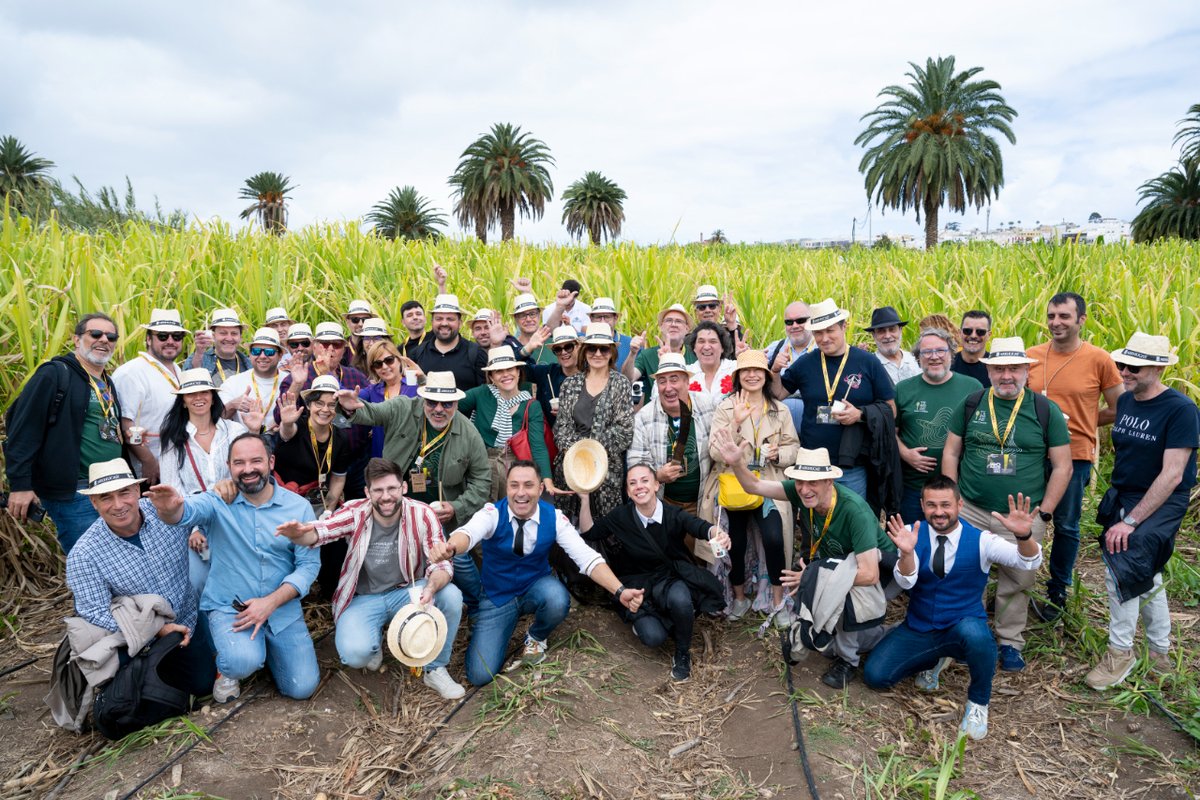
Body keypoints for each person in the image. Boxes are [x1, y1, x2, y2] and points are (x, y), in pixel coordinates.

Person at [428, 461, 642, 686]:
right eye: (514, 485)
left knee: (557, 598)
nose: (521, 493)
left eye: (528, 485)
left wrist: (619, 591)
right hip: (497, 596)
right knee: (480, 675)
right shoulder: (491, 513)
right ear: (507, 488)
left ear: (540, 489)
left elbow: (587, 558)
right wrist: (451, 547)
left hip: (535, 588)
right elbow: (468, 534)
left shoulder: (555, 518)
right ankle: (494, 624)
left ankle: (536, 635)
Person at [711, 431, 895, 688]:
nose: (805, 489)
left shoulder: (854, 510)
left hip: (881, 571)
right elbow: (754, 487)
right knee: (822, 589)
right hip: (842, 564)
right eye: (800, 482)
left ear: (829, 481)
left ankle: (848, 661)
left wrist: (815, 577)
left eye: (813, 482)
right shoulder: (801, 493)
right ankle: (874, 636)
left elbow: (869, 574)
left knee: (842, 598)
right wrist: (738, 464)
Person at [863, 475, 1042, 740]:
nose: (939, 512)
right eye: (932, 505)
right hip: (920, 626)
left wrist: (1024, 535)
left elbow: (1029, 562)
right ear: (923, 505)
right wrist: (907, 554)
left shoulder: (982, 540)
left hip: (962, 625)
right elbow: (906, 580)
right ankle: (933, 658)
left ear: (959, 505)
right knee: (875, 676)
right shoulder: (913, 533)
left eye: (945, 505)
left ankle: (978, 703)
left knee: (977, 636)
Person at [146, 433, 321, 703]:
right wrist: (170, 510)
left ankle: (266, 649)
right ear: (229, 466)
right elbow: (184, 513)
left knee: (302, 687)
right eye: (239, 462)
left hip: (281, 609)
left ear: (271, 461)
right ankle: (228, 666)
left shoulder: (298, 506)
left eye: (256, 461)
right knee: (241, 662)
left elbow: (308, 566)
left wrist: (271, 602)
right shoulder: (217, 502)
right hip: (232, 606)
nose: (248, 469)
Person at [274, 458, 467, 699]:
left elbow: (441, 565)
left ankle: (434, 667)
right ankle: (373, 640)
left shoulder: (422, 513)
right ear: (367, 492)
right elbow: (321, 532)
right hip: (365, 599)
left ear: (403, 488)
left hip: (406, 592)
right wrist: (298, 535)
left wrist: (430, 587)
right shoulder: (356, 512)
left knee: (450, 595)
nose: (386, 496)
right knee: (356, 655)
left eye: (391, 489)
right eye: (378, 490)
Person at [941, 336, 1072, 672]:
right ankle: (964, 635)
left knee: (1018, 578)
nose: (1006, 375)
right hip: (971, 507)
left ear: (1026, 371)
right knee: (967, 572)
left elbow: (1063, 466)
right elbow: (951, 452)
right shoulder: (971, 404)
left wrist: (1045, 512)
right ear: (990, 371)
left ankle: (1010, 642)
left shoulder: (1045, 410)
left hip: (1022, 515)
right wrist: (951, 499)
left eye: (1014, 368)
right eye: (999, 368)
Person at [1085, 333, 1198, 690]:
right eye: (1121, 365)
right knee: (1148, 571)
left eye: (1134, 367)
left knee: (1123, 563)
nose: (1124, 372)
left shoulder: (1180, 410)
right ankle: (1160, 653)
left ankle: (1120, 653)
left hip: (1161, 498)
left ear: (1159, 368)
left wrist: (1131, 522)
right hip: (1125, 493)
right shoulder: (1129, 401)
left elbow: (1173, 474)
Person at [64, 459, 216, 715]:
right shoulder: (84, 554)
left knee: (203, 685)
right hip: (142, 639)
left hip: (187, 617)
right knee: (149, 702)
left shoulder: (163, 511)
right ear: (94, 503)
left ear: (137, 491)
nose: (118, 505)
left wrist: (218, 496)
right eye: (106, 498)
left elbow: (206, 513)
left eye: (124, 493)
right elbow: (95, 614)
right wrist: (156, 630)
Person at [578, 464, 731, 681]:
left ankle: (682, 652)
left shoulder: (671, 513)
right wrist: (584, 499)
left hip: (669, 577)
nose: (639, 487)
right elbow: (590, 532)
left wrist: (717, 532)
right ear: (628, 491)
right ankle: (662, 622)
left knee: (680, 597)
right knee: (653, 638)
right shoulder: (621, 516)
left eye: (644, 481)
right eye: (633, 483)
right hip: (638, 584)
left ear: (657, 485)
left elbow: (697, 525)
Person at [1026, 293, 1124, 622]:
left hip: (1075, 454)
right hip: (1029, 454)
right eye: (1052, 315)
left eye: (1065, 316)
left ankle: (1058, 590)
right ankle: (1016, 585)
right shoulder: (1031, 357)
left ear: (1081, 319)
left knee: (1066, 525)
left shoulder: (1099, 360)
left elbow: (1119, 407)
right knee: (1020, 519)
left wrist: (1084, 421)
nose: (1056, 322)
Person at [4, 312, 126, 553]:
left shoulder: (106, 382)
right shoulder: (55, 374)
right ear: (76, 339)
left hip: (109, 487)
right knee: (87, 559)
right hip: (74, 491)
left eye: (111, 336)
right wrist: (20, 485)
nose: (104, 340)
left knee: (111, 558)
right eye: (95, 334)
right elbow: (22, 429)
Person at [706, 350, 799, 623]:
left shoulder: (780, 410)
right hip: (734, 482)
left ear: (766, 376)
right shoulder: (725, 408)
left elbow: (794, 448)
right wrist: (735, 423)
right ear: (737, 377)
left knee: (774, 537)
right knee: (734, 541)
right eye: (745, 371)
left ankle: (778, 601)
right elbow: (714, 451)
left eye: (758, 371)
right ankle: (738, 598)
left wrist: (778, 454)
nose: (752, 375)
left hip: (768, 481)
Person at [335, 372, 491, 531]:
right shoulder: (402, 408)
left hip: (441, 522)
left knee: (451, 556)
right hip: (396, 512)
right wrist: (349, 409)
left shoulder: (469, 434)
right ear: (423, 399)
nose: (438, 409)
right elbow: (372, 412)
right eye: (431, 402)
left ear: (456, 403)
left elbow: (482, 481)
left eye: (446, 404)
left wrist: (457, 507)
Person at [780, 299, 896, 499]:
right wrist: (774, 370)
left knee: (851, 520)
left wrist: (860, 414)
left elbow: (890, 409)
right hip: (812, 463)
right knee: (815, 524)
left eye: (830, 331)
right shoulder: (806, 363)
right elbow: (778, 393)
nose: (824, 338)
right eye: (818, 333)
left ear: (844, 327)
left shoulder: (867, 362)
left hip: (852, 465)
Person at [160, 369, 260, 593]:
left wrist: (254, 430)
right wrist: (194, 528)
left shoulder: (234, 430)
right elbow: (174, 491)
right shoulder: (174, 438)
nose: (198, 398)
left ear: (213, 396)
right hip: (196, 524)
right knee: (199, 583)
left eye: (204, 392)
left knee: (244, 579)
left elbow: (251, 474)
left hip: (236, 518)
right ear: (183, 401)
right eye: (191, 394)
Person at [894, 329, 983, 523]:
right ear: (918, 358)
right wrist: (906, 454)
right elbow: (891, 432)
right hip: (913, 488)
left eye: (941, 351)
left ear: (952, 353)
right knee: (914, 541)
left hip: (960, 487)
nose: (934, 357)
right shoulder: (903, 389)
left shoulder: (972, 387)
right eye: (926, 352)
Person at [553, 323, 635, 522]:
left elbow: (624, 430)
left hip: (606, 469)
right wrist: (580, 452)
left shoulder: (621, 383)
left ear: (612, 352)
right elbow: (561, 427)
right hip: (572, 467)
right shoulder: (570, 384)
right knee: (567, 527)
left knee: (606, 529)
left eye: (604, 348)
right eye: (592, 348)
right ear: (585, 350)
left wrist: (590, 449)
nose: (597, 353)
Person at [457, 346, 563, 499]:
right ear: (492, 377)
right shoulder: (481, 393)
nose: (505, 375)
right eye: (499, 371)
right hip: (482, 469)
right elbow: (449, 405)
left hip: (516, 469)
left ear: (518, 373)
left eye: (510, 369)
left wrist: (547, 481)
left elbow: (538, 445)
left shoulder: (531, 405)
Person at [628, 353, 717, 519]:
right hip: (664, 504)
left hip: (703, 502)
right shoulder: (644, 418)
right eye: (662, 381)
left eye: (674, 379)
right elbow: (635, 463)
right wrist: (657, 476)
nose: (668, 387)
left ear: (687, 381)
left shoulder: (708, 406)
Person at [112, 308, 189, 484]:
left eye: (176, 336)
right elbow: (125, 424)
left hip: (175, 464)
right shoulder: (132, 372)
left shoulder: (177, 369)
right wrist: (148, 461)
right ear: (148, 339)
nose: (170, 341)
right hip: (148, 470)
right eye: (162, 336)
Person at [411, 294, 487, 391]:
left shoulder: (476, 353)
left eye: (450, 319)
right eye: (439, 319)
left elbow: (485, 393)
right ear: (432, 322)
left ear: (460, 323)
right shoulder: (417, 353)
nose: (444, 323)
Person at [358, 340, 420, 458]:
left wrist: (423, 380)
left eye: (389, 360)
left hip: (410, 458)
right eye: (378, 364)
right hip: (382, 457)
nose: (385, 367)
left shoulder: (414, 387)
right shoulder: (373, 391)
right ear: (373, 369)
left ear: (399, 360)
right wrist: (328, 372)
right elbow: (349, 397)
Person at [624, 303, 697, 401]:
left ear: (687, 328)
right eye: (669, 320)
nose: (673, 324)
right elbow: (628, 378)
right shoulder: (647, 355)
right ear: (661, 326)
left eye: (679, 321)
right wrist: (632, 353)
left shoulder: (696, 354)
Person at [219, 328, 284, 433]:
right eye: (256, 351)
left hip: (281, 443)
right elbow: (217, 418)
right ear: (250, 354)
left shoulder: (290, 381)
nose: (262, 356)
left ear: (280, 355)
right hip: (244, 444)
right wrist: (233, 404)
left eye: (269, 352)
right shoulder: (233, 382)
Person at [765, 300, 815, 436]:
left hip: (813, 422)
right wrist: (742, 354)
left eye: (800, 320)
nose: (795, 326)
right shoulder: (775, 347)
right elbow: (753, 369)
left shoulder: (822, 348)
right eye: (789, 322)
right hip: (778, 427)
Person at [516, 324, 580, 424]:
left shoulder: (590, 375)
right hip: (550, 435)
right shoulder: (548, 372)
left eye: (568, 347)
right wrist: (528, 347)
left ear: (578, 347)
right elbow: (514, 368)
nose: (563, 352)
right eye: (558, 349)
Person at [189, 308, 251, 387]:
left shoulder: (249, 363)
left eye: (234, 333)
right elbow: (190, 383)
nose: (229, 338)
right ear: (213, 336)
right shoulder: (198, 358)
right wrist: (199, 353)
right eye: (223, 333)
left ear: (240, 338)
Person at [682, 321, 738, 406]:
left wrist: (744, 357)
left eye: (713, 341)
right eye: (701, 341)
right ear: (694, 348)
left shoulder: (736, 368)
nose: (707, 347)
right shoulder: (685, 373)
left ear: (722, 347)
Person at [865, 306, 921, 385]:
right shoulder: (869, 366)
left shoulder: (915, 360)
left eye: (892, 329)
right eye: (881, 331)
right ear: (874, 335)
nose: (887, 336)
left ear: (900, 330)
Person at [692, 284, 744, 359]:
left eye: (712, 306)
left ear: (719, 309)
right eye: (702, 307)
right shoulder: (688, 340)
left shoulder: (728, 336)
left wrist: (732, 324)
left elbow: (741, 358)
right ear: (696, 312)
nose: (707, 310)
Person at [588, 297, 633, 370]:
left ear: (615, 319)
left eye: (607, 317)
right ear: (591, 319)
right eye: (598, 317)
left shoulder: (630, 345)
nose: (602, 322)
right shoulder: (583, 344)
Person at [952, 311, 992, 388]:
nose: (973, 335)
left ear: (989, 335)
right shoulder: (947, 365)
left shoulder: (996, 367)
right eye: (967, 331)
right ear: (960, 333)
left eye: (980, 332)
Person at [344, 299, 374, 369]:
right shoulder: (340, 348)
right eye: (355, 320)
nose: (361, 324)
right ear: (347, 322)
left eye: (365, 320)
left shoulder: (379, 346)